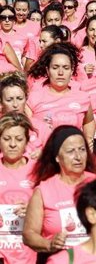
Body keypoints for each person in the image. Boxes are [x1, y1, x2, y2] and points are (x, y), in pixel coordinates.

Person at [23, 126, 96, 261]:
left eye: (82, 150)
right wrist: (49, 244)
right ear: (57, 158)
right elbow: (29, 234)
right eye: (70, 151)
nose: (78, 157)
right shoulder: (44, 190)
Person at [0, 112, 37, 264]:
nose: (13, 144)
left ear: (27, 141)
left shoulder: (39, 170)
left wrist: (34, 211)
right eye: (7, 139)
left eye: (19, 139)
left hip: (29, 250)